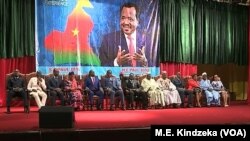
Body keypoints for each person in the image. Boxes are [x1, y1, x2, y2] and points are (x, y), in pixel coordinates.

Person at [99, 2, 150, 67]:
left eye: (130, 19)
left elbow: (155, 65)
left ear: (138, 21)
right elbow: (102, 67)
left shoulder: (148, 40)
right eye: (123, 18)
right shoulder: (108, 40)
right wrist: (116, 62)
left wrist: (145, 62)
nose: (125, 22)